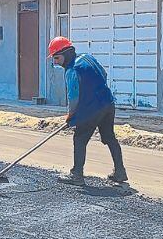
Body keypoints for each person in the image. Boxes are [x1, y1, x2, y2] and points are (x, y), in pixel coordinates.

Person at [47, 36, 127, 186]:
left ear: (66, 53)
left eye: (57, 58)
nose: (55, 62)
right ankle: (120, 172)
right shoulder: (88, 58)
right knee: (110, 138)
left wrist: (71, 116)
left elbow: (73, 98)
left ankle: (76, 175)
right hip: (108, 104)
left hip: (92, 109)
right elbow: (104, 74)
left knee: (79, 139)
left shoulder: (71, 70)